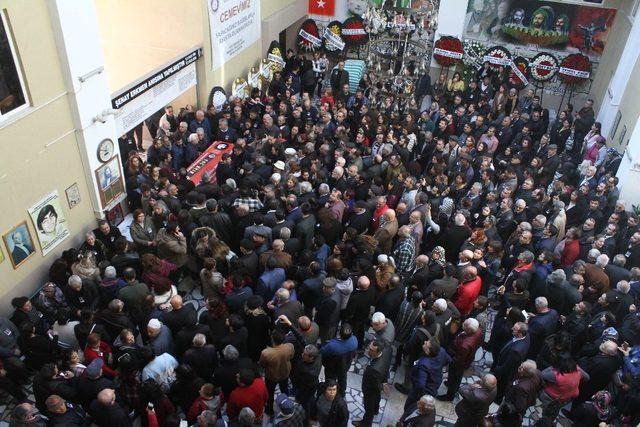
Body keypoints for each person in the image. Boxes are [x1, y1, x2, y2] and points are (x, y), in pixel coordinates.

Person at [353, 340, 392, 427]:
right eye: (369, 348)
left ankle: (366, 423)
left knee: (368, 407)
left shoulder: (373, 370)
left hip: (370, 389)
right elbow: (386, 367)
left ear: (378, 352)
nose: (368, 351)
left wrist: (382, 386)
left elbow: (376, 385)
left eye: (372, 350)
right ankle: (376, 410)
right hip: (380, 379)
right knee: (377, 399)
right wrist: (384, 382)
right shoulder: (387, 352)